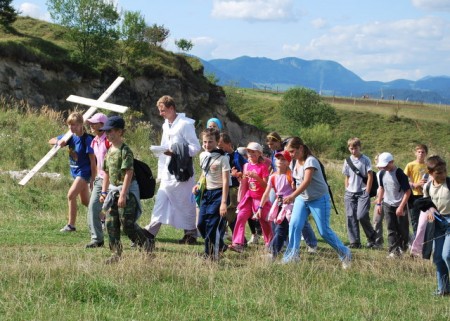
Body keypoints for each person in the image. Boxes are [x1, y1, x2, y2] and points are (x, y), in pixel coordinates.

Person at [281, 137, 351, 269]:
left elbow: (306, 182)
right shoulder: (294, 162)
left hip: (318, 199)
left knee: (324, 231)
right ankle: (291, 257)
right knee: (294, 225)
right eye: (289, 152)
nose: (290, 155)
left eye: (292, 151)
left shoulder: (310, 161)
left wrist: (292, 196)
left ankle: (345, 253)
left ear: (300, 148)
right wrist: (293, 185)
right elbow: (297, 180)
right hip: (303, 198)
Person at [145, 95, 201, 244]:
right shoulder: (165, 125)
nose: (161, 113)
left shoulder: (185, 124)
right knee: (160, 201)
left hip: (182, 172)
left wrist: (176, 151)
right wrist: (160, 172)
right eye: (160, 110)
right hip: (168, 172)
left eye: (163, 110)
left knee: (185, 204)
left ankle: (190, 234)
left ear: (171, 108)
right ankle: (150, 232)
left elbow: (195, 147)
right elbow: (164, 147)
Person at [99, 116, 153, 264]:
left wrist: (123, 194)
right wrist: (104, 192)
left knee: (127, 224)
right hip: (112, 191)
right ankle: (116, 253)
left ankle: (146, 244)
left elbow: (129, 172)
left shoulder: (125, 150)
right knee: (111, 223)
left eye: (110, 131)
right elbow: (106, 173)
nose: (107, 134)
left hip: (126, 192)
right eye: (106, 131)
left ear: (119, 132)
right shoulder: (110, 151)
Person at [257, 150, 318, 260]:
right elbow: (266, 192)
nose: (280, 161)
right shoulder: (273, 176)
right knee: (282, 229)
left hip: (290, 205)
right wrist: (260, 208)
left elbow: (299, 188)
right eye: (278, 159)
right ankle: (291, 253)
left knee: (283, 229)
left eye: (283, 159)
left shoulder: (291, 175)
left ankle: (273, 252)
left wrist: (294, 188)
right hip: (279, 203)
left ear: (288, 162)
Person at [49, 112, 96, 232]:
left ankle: (71, 225)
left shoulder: (88, 139)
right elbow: (51, 140)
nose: (71, 127)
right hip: (75, 173)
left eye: (74, 125)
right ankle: (103, 218)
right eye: (70, 125)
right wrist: (59, 142)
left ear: (81, 124)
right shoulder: (70, 137)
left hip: (84, 173)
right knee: (85, 201)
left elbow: (93, 161)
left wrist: (93, 180)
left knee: (71, 195)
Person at [229, 142, 273, 253]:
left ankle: (270, 243)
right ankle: (238, 243)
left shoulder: (263, 167)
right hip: (249, 197)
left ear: (259, 153)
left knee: (264, 221)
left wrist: (256, 177)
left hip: (260, 198)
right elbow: (245, 181)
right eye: (249, 151)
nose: (250, 154)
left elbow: (266, 186)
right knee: (241, 216)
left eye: (253, 151)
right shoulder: (246, 166)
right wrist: (237, 175)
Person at [193, 128, 230, 260]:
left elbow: (226, 181)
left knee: (212, 226)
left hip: (219, 194)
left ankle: (210, 256)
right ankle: (220, 246)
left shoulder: (223, 158)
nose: (207, 145)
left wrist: (224, 203)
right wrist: (198, 184)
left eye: (210, 142)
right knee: (201, 224)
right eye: (204, 142)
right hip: (206, 193)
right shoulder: (203, 156)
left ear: (217, 141)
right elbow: (204, 173)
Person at [342, 138, 378, 248]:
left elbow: (370, 176)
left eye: (355, 148)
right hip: (350, 193)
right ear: (349, 148)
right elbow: (347, 176)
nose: (353, 151)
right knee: (350, 216)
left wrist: (367, 191)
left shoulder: (366, 159)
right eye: (351, 149)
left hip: (362, 191)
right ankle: (355, 242)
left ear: (360, 147)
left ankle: (371, 237)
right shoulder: (347, 161)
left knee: (361, 215)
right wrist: (347, 188)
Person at [375, 152, 411, 258]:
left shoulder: (400, 174)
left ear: (392, 162)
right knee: (391, 228)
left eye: (386, 165)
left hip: (400, 204)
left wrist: (401, 206)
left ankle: (403, 248)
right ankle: (393, 251)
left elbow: (407, 191)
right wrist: (378, 203)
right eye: (383, 165)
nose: (384, 167)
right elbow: (381, 188)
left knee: (402, 229)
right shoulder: (382, 173)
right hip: (387, 204)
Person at [423, 156, 450, 296]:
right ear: (430, 172)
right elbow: (426, 202)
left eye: (444, 171)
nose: (443, 175)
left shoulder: (449, 184)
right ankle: (444, 289)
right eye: (439, 173)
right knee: (438, 257)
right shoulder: (427, 186)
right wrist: (430, 210)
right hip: (438, 224)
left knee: (448, 255)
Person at [85, 113, 110, 248]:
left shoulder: (109, 140)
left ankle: (137, 238)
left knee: (120, 212)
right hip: (100, 179)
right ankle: (97, 239)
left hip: (114, 180)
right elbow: (95, 163)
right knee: (93, 208)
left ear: (102, 125)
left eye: (94, 123)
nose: (91, 126)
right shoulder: (94, 141)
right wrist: (93, 179)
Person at [404, 144, 429, 237]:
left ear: (426, 153)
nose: (421, 154)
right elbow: (404, 180)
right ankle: (416, 240)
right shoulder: (410, 165)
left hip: (426, 195)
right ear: (415, 153)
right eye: (419, 152)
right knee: (415, 219)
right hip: (413, 195)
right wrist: (415, 184)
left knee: (426, 219)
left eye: (423, 152)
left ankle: (426, 240)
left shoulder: (428, 165)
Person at [372, 154, 385, 246]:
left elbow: (383, 188)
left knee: (393, 223)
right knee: (377, 220)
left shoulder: (385, 172)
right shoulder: (378, 173)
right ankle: (378, 241)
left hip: (386, 199)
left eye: (379, 159)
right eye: (376, 159)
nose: (377, 161)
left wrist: (379, 200)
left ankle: (408, 240)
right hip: (380, 198)